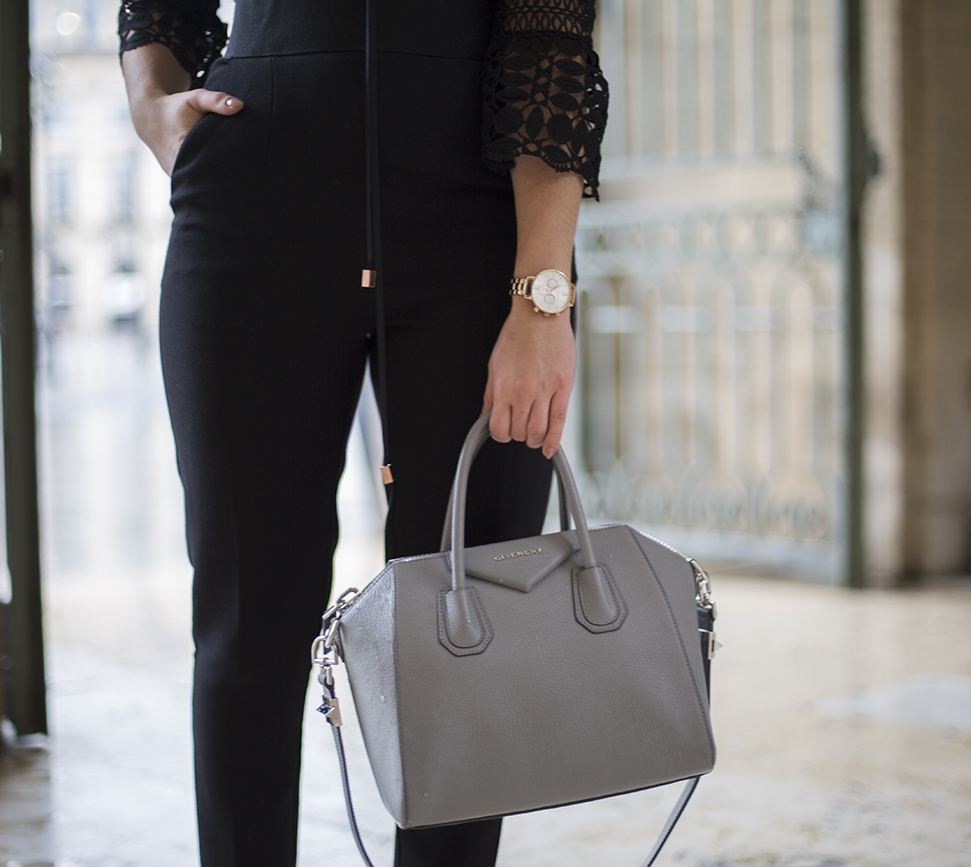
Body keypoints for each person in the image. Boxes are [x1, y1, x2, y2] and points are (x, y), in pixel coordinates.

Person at [117, 1, 608, 865]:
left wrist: (542, 299)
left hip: (480, 225)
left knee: (471, 609)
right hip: (251, 206)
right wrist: (151, 103)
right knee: (247, 614)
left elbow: (552, 43)